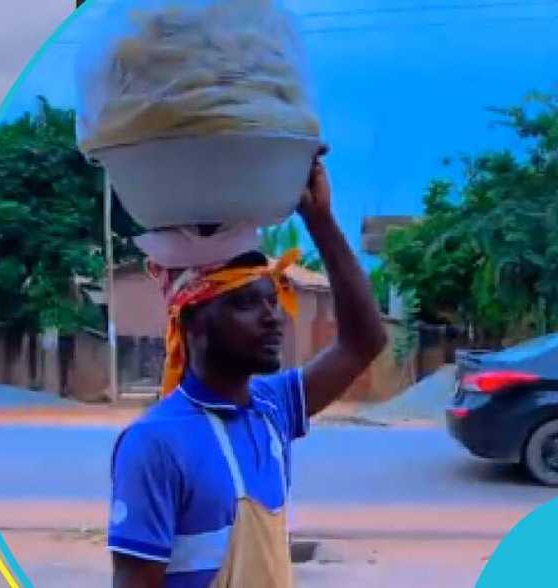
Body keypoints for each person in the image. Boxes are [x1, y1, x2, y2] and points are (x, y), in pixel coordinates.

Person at [108, 153, 387, 588]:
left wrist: (321, 221)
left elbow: (363, 342)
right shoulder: (155, 443)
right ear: (192, 323)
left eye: (271, 300)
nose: (272, 318)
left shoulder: (273, 409)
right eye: (245, 304)